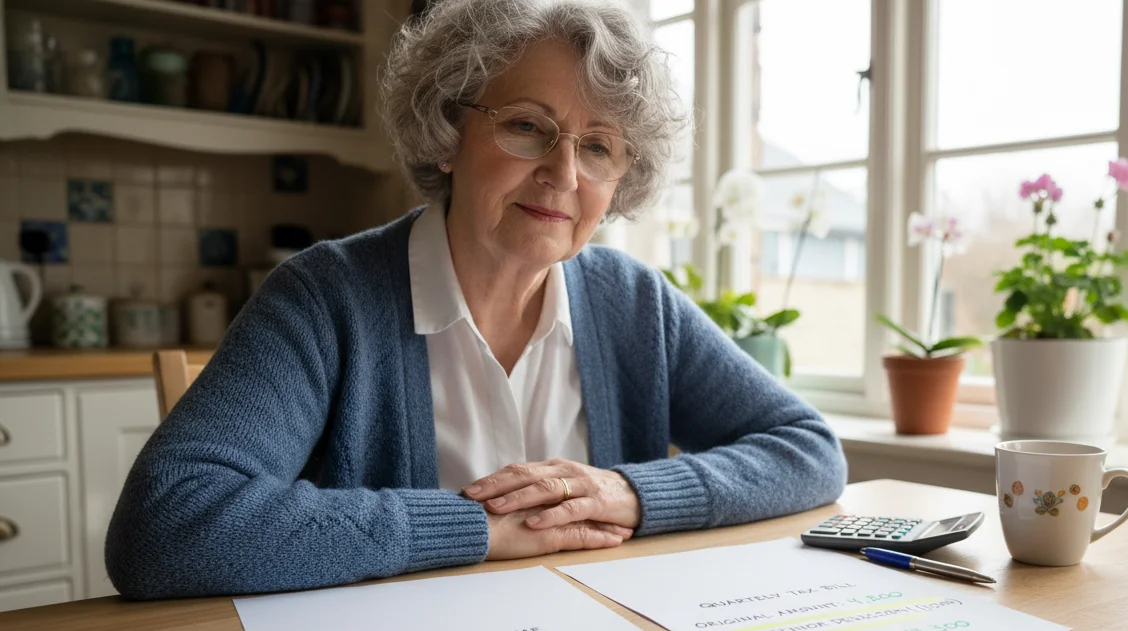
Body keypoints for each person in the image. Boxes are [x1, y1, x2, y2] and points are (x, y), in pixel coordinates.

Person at [105, 0, 846, 600]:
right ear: (447, 133)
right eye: (528, 126)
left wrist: (624, 493)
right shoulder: (324, 297)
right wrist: (473, 527)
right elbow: (165, 526)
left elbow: (809, 451)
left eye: (598, 147)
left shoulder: (635, 302)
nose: (564, 173)